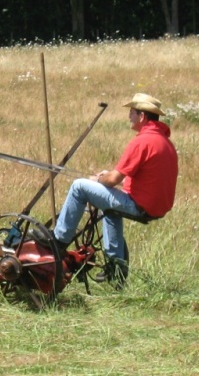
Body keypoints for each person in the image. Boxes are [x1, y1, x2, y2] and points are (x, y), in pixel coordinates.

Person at [52, 93, 178, 285]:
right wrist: (106, 179)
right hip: (155, 207)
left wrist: (99, 178)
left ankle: (58, 241)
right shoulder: (164, 142)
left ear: (142, 116)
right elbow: (145, 181)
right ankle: (116, 267)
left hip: (139, 205)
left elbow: (112, 180)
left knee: (78, 187)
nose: (129, 117)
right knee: (111, 209)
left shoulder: (142, 141)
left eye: (132, 113)